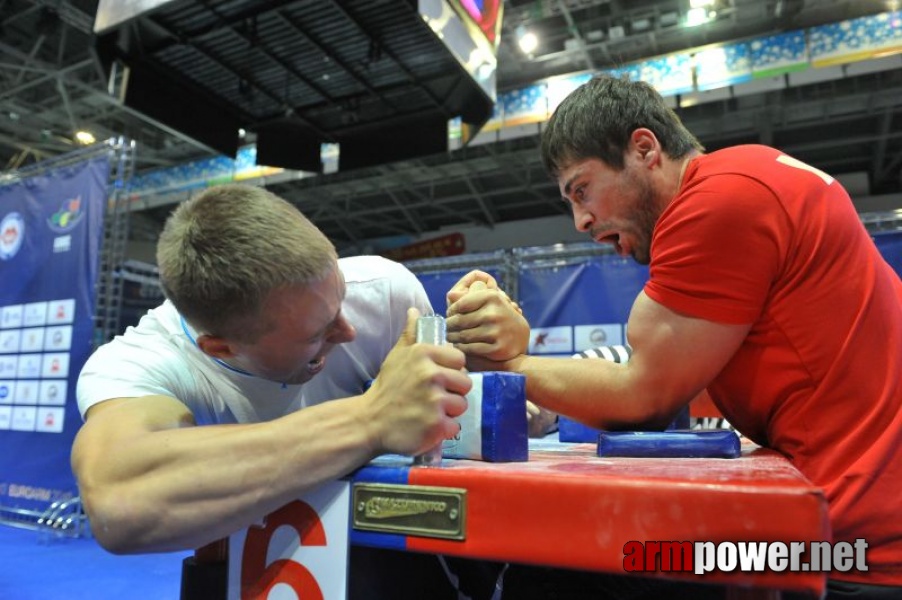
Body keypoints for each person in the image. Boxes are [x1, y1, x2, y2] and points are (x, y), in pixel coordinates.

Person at [446, 74, 902, 598]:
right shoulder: (749, 175)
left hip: (850, 546)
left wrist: (511, 363)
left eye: (581, 189)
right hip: (854, 523)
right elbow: (650, 376)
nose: (580, 220)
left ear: (644, 149)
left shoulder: (719, 200)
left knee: (566, 572)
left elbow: (643, 396)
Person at [71, 183, 525, 598]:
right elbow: (120, 500)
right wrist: (371, 419)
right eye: (317, 334)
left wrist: (506, 362)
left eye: (340, 301)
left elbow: (482, 424)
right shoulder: (142, 363)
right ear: (221, 346)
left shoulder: (383, 290)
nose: (347, 331)